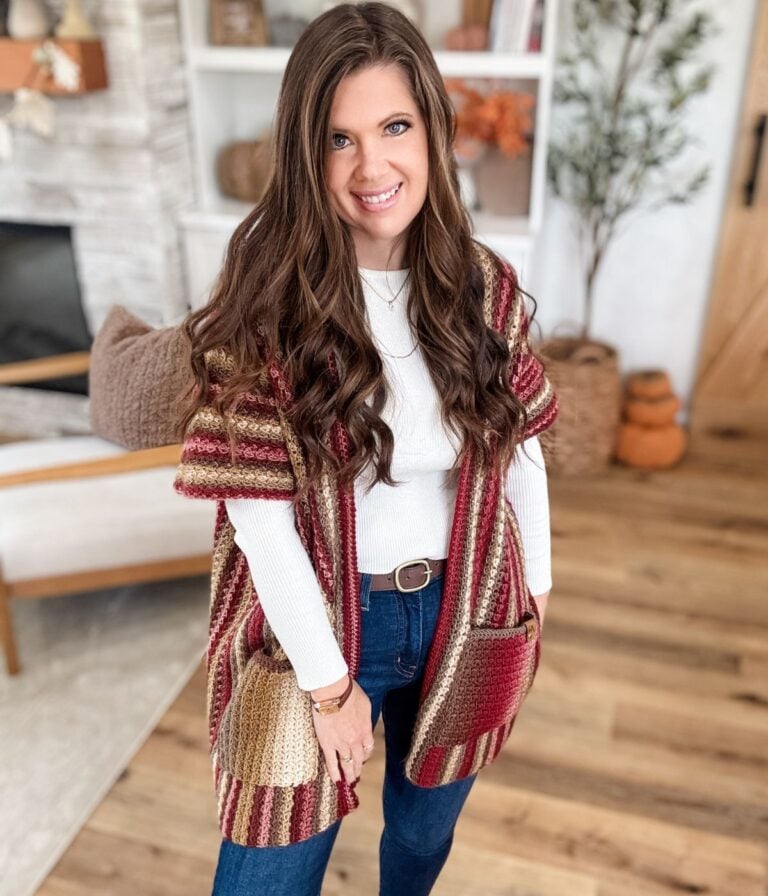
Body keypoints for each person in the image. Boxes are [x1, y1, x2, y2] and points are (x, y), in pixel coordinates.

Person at [172, 3, 558, 894]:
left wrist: (536, 586)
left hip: (467, 604)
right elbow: (259, 519)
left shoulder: (482, 286)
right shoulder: (265, 305)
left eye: (394, 127)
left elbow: (521, 448)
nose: (372, 166)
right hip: (313, 628)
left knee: (421, 843)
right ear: (305, 154)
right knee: (266, 873)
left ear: (432, 126)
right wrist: (329, 687)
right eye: (339, 140)